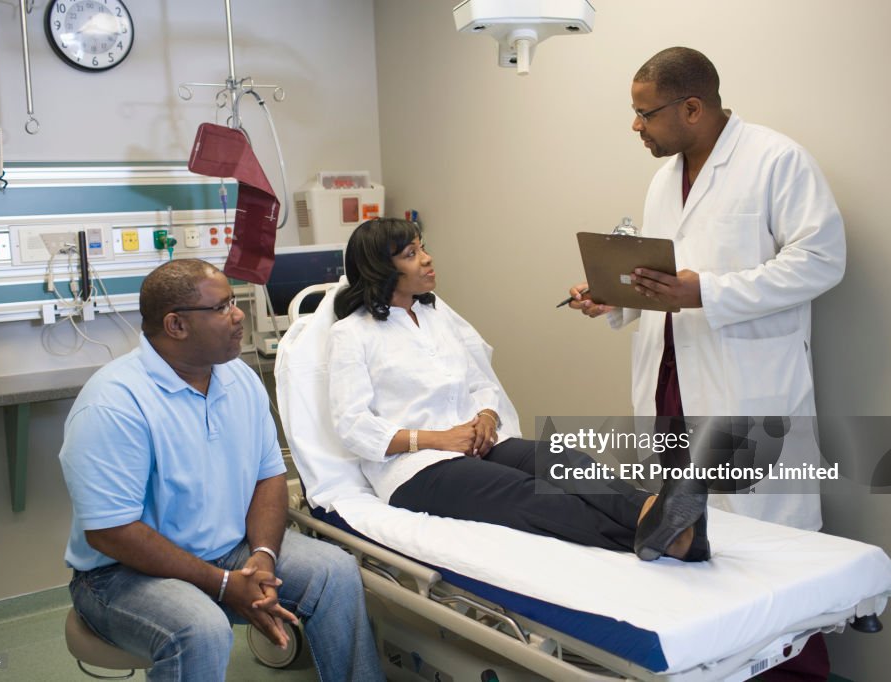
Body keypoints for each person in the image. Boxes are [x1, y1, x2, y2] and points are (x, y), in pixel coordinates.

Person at [567, 47, 845, 680]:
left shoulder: (777, 160)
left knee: (767, 562)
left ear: (692, 108)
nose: (635, 127)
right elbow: (664, 280)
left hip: (742, 387)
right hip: (672, 387)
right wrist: (614, 296)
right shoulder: (664, 178)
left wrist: (708, 291)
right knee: (686, 548)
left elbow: (821, 261)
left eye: (644, 114)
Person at [59, 259, 382, 682]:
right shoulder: (114, 404)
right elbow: (110, 531)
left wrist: (263, 558)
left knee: (335, 573)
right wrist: (224, 584)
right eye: (222, 307)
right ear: (176, 325)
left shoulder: (239, 380)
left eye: (234, 302)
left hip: (228, 550)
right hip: (119, 575)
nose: (238, 315)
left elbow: (268, 476)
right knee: (201, 629)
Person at [327, 217, 710, 564]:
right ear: (381, 270)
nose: (427, 259)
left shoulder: (436, 317)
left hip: (477, 443)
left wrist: (486, 417)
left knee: (565, 460)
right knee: (527, 493)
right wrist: (439, 439)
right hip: (414, 468)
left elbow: (480, 380)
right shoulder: (352, 334)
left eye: (423, 247)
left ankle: (665, 514)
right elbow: (353, 425)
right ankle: (665, 538)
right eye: (412, 254)